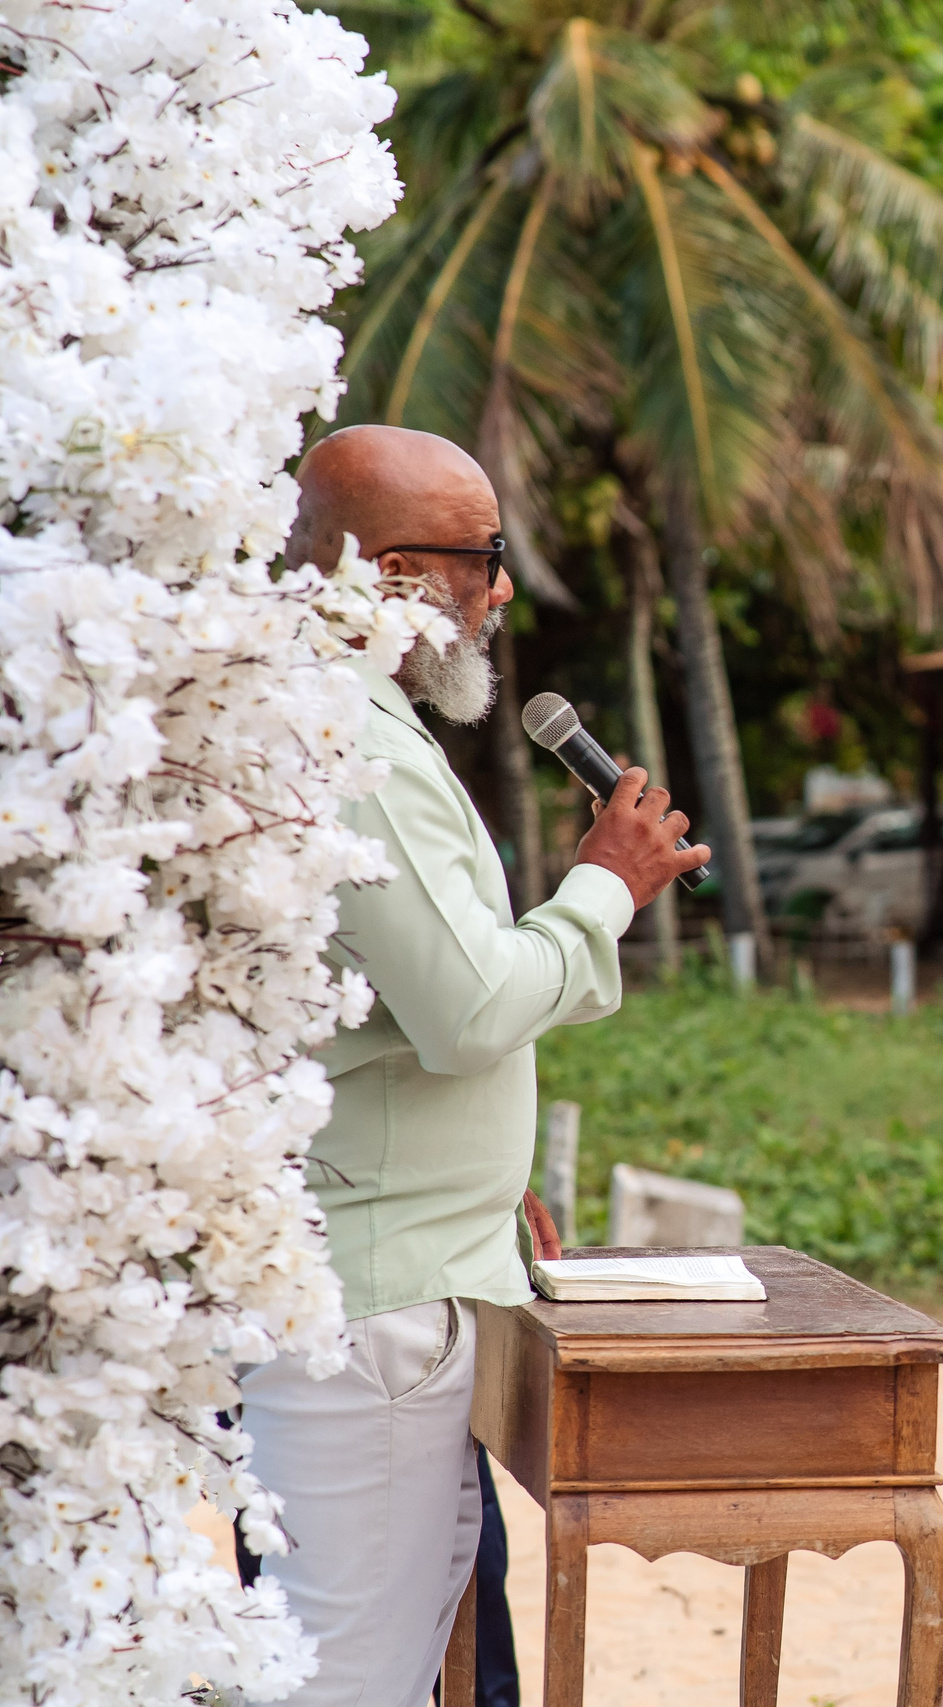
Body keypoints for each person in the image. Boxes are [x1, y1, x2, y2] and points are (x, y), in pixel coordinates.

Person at [235, 426, 706, 1705]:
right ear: (391, 575)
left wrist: (487, 1191)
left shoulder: (333, 716)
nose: (502, 591)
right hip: (373, 1307)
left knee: (391, 1658)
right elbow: (468, 1011)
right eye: (484, 560)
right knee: (343, 1676)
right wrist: (604, 890)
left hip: (394, 1266)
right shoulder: (361, 749)